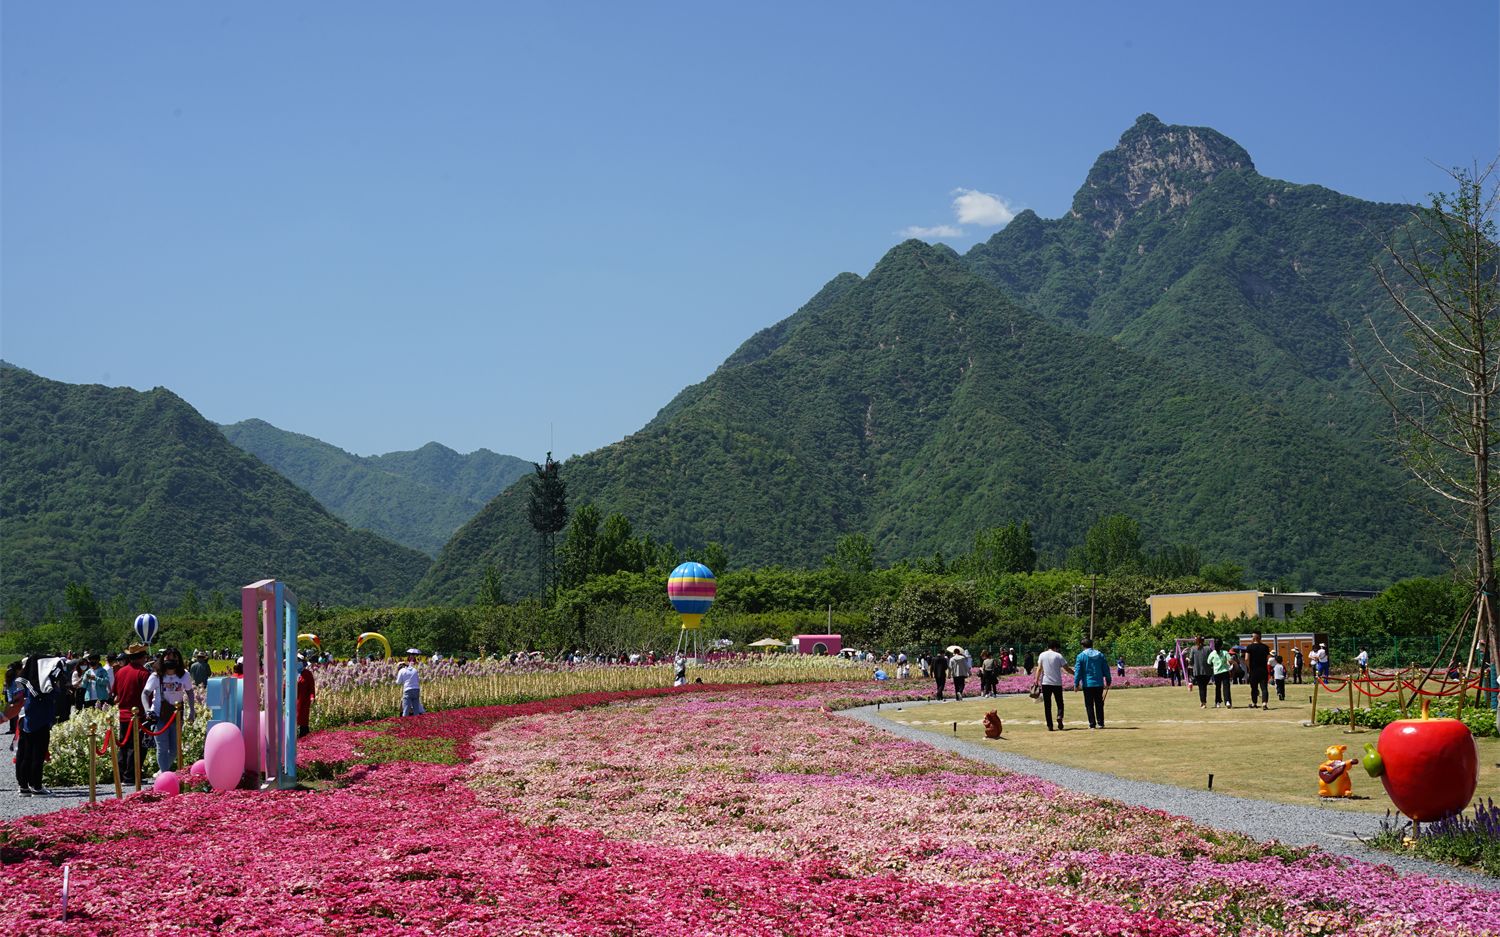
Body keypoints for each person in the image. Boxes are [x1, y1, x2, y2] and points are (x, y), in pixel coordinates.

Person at [143, 646, 195, 775]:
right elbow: (145, 693)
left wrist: (192, 710)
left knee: (174, 749)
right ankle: (165, 774)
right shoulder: (156, 676)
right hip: (160, 715)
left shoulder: (184, 675)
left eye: (174, 658)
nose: (171, 661)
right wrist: (147, 710)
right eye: (168, 658)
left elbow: (190, 692)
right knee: (162, 747)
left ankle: (162, 771)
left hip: (176, 715)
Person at [13, 656, 59, 796]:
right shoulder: (39, 682)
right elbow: (52, 693)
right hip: (39, 720)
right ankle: (36, 785)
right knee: (37, 755)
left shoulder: (23, 679)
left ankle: (24, 785)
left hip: (25, 719)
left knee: (24, 754)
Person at [114, 644, 151, 785]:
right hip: (137, 715)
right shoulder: (143, 673)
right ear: (142, 657)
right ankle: (131, 775)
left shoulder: (120, 672)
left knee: (123, 745)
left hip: (123, 713)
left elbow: (115, 694)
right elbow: (147, 695)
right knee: (136, 746)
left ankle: (121, 775)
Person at [1074, 639, 1112, 729]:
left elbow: (1078, 672)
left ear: (1083, 646)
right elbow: (1106, 668)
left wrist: (1076, 683)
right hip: (1099, 683)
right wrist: (1108, 679)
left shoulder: (1081, 656)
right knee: (1099, 703)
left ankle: (1092, 724)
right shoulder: (1100, 655)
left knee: (1089, 704)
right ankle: (1101, 723)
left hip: (1087, 684)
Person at [1035, 639, 1070, 731]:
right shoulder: (1058, 656)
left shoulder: (1042, 655)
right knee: (1060, 702)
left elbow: (1039, 669)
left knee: (1047, 705)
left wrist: (1036, 680)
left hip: (1046, 682)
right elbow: (1066, 668)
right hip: (1057, 683)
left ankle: (1050, 725)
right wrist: (1075, 674)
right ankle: (1059, 716)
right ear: (1056, 647)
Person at [1244, 632, 1271, 709]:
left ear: (1255, 637)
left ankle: (1254, 703)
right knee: (1264, 688)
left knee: (1254, 688)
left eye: (1251, 636)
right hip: (1263, 670)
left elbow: (1246, 659)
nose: (1251, 638)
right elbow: (1268, 658)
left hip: (1253, 670)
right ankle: (1264, 703)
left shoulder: (1249, 647)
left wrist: (1249, 667)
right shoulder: (1265, 647)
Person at [397, 650, 424, 716]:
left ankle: (405, 722)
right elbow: (418, 679)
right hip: (416, 689)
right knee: (416, 709)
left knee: (406, 708)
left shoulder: (401, 670)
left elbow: (398, 682)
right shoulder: (414, 669)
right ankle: (416, 722)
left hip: (408, 690)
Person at [1189, 637, 1214, 709]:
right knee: (1204, 687)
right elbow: (1212, 658)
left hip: (1198, 671)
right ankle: (1203, 701)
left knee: (1201, 687)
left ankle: (1203, 702)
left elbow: (1191, 660)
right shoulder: (1209, 648)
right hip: (1207, 671)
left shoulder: (1193, 648)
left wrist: (1191, 663)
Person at [1209, 641, 1233, 708]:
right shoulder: (1225, 652)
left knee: (1218, 688)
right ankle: (1227, 701)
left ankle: (1217, 702)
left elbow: (1208, 662)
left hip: (1217, 672)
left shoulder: (1212, 653)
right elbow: (1230, 660)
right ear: (1221, 646)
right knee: (1226, 687)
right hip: (1225, 671)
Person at [296, 655, 315, 737]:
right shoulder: (292, 673)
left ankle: (304, 736)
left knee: (303, 719)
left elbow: (311, 687)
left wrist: (312, 697)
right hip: (293, 700)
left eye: (298, 661)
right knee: (293, 719)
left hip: (304, 700)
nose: (297, 663)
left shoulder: (307, 673)